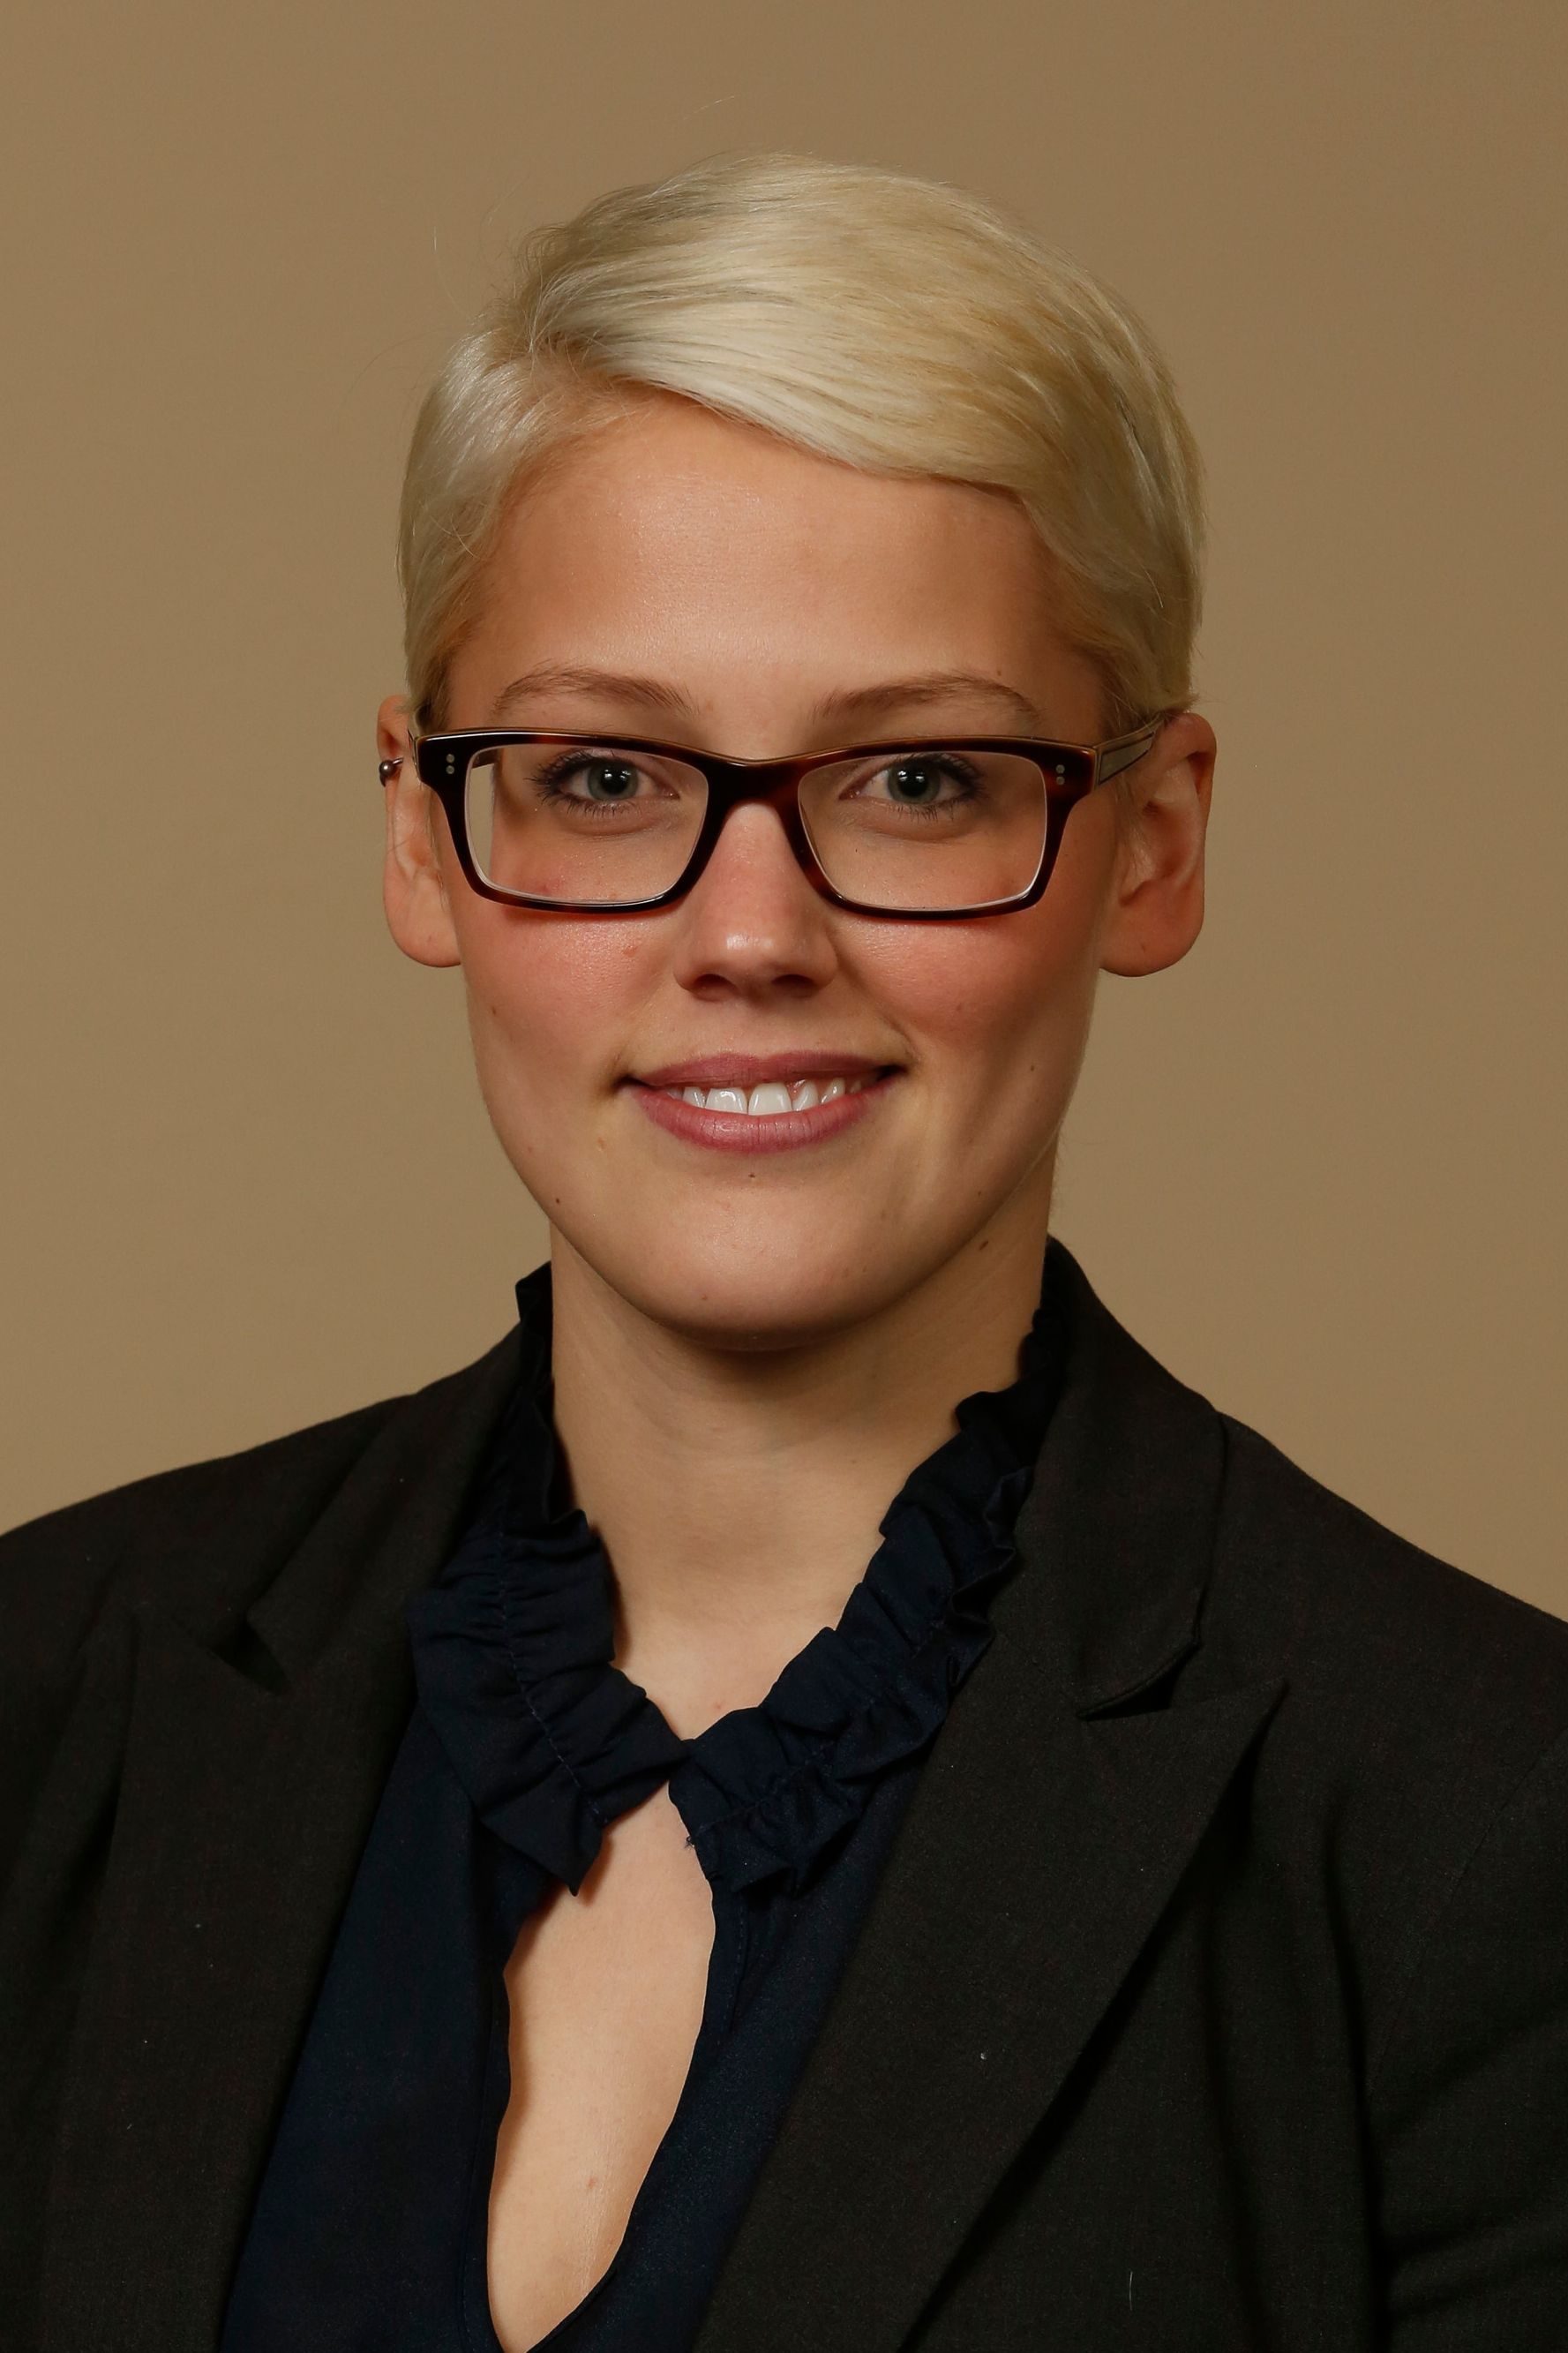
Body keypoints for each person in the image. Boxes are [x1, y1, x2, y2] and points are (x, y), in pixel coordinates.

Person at [3, 152, 1565, 2353]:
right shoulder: (44, 1691)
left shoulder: (1485, 1829)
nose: (750, 936)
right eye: (603, 777)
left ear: (1151, 843)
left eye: (917, 780)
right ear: (423, 833)